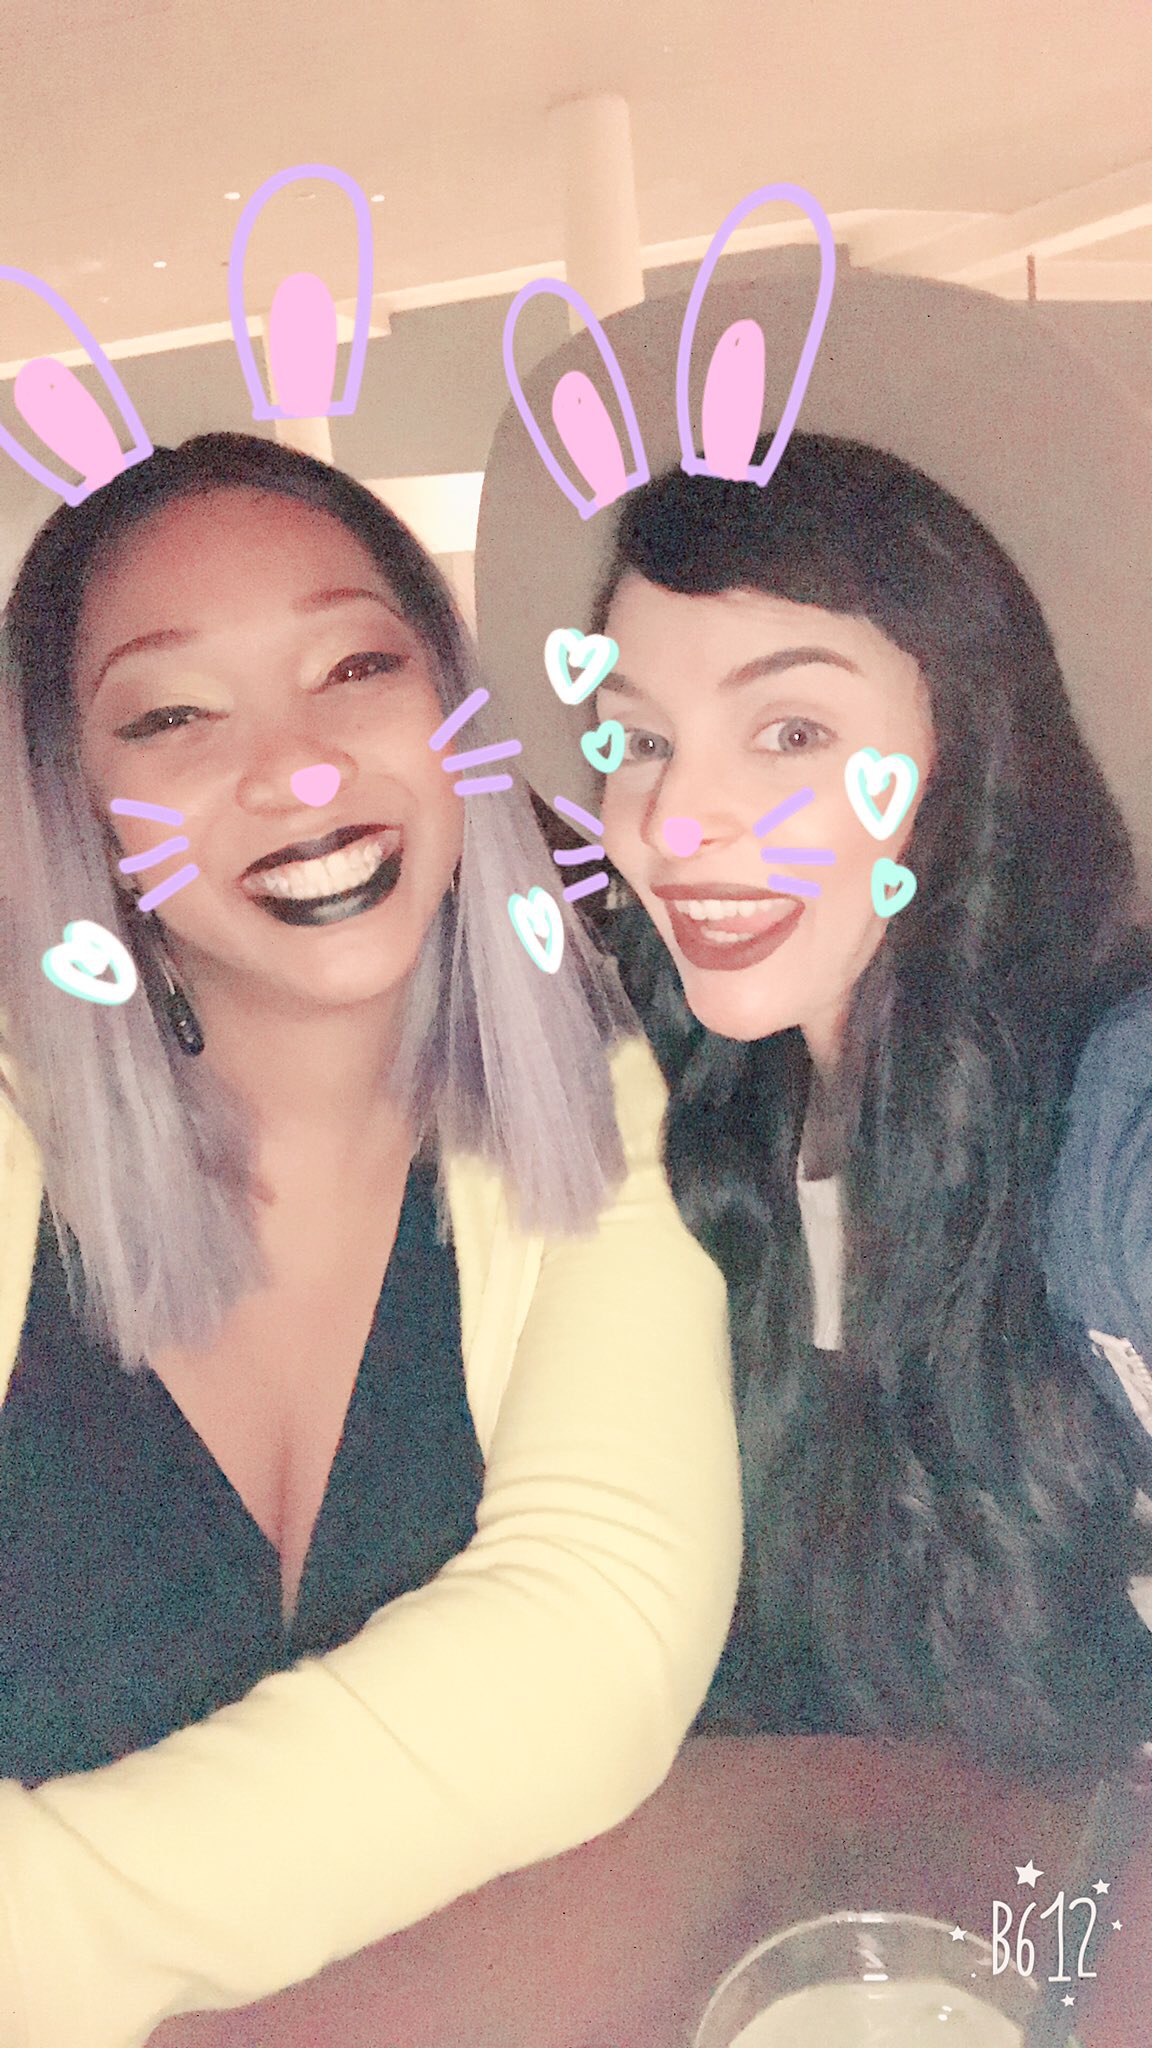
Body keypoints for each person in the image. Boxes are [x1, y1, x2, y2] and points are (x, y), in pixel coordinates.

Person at [0, 432, 741, 2048]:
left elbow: (597, 1643)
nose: (303, 770)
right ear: (81, 808)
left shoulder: (588, 1097)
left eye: (356, 669)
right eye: (174, 716)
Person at [475, 264, 1152, 1788]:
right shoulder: (683, 1107)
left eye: (789, 731)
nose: (676, 820)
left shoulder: (1111, 1102)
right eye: (637, 739)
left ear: (970, 748)